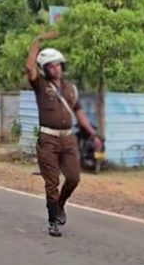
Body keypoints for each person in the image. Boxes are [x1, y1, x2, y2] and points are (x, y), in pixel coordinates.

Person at [25, 30, 101, 237]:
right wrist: (38, 40)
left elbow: (79, 112)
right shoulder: (41, 85)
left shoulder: (70, 89)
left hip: (68, 137)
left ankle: (60, 204)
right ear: (45, 69)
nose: (55, 68)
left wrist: (92, 134)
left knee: (74, 178)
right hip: (48, 138)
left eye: (58, 64)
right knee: (52, 182)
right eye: (50, 66)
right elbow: (29, 67)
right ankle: (53, 221)